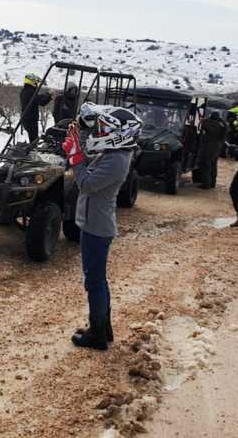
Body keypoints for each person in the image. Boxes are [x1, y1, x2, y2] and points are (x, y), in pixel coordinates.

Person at [63, 103, 142, 351]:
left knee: (94, 281)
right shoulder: (113, 153)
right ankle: (103, 329)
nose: (103, 132)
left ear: (121, 133)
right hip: (95, 223)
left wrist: (75, 159)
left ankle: (97, 335)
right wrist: (80, 144)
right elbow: (89, 162)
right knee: (98, 280)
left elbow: (86, 182)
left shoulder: (117, 160)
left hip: (97, 227)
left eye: (107, 129)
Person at [196, 111, 227, 189]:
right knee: (213, 165)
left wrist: (203, 120)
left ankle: (206, 184)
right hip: (217, 148)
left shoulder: (209, 123)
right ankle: (213, 183)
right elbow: (225, 129)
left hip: (208, 147)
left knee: (206, 165)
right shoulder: (222, 125)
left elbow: (202, 126)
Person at [19, 73, 52, 142]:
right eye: (35, 82)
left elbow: (38, 99)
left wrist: (47, 96)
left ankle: (31, 149)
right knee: (34, 140)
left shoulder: (25, 90)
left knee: (33, 139)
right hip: (30, 119)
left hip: (27, 118)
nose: (37, 83)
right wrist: (48, 94)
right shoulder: (30, 92)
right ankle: (31, 151)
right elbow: (40, 101)